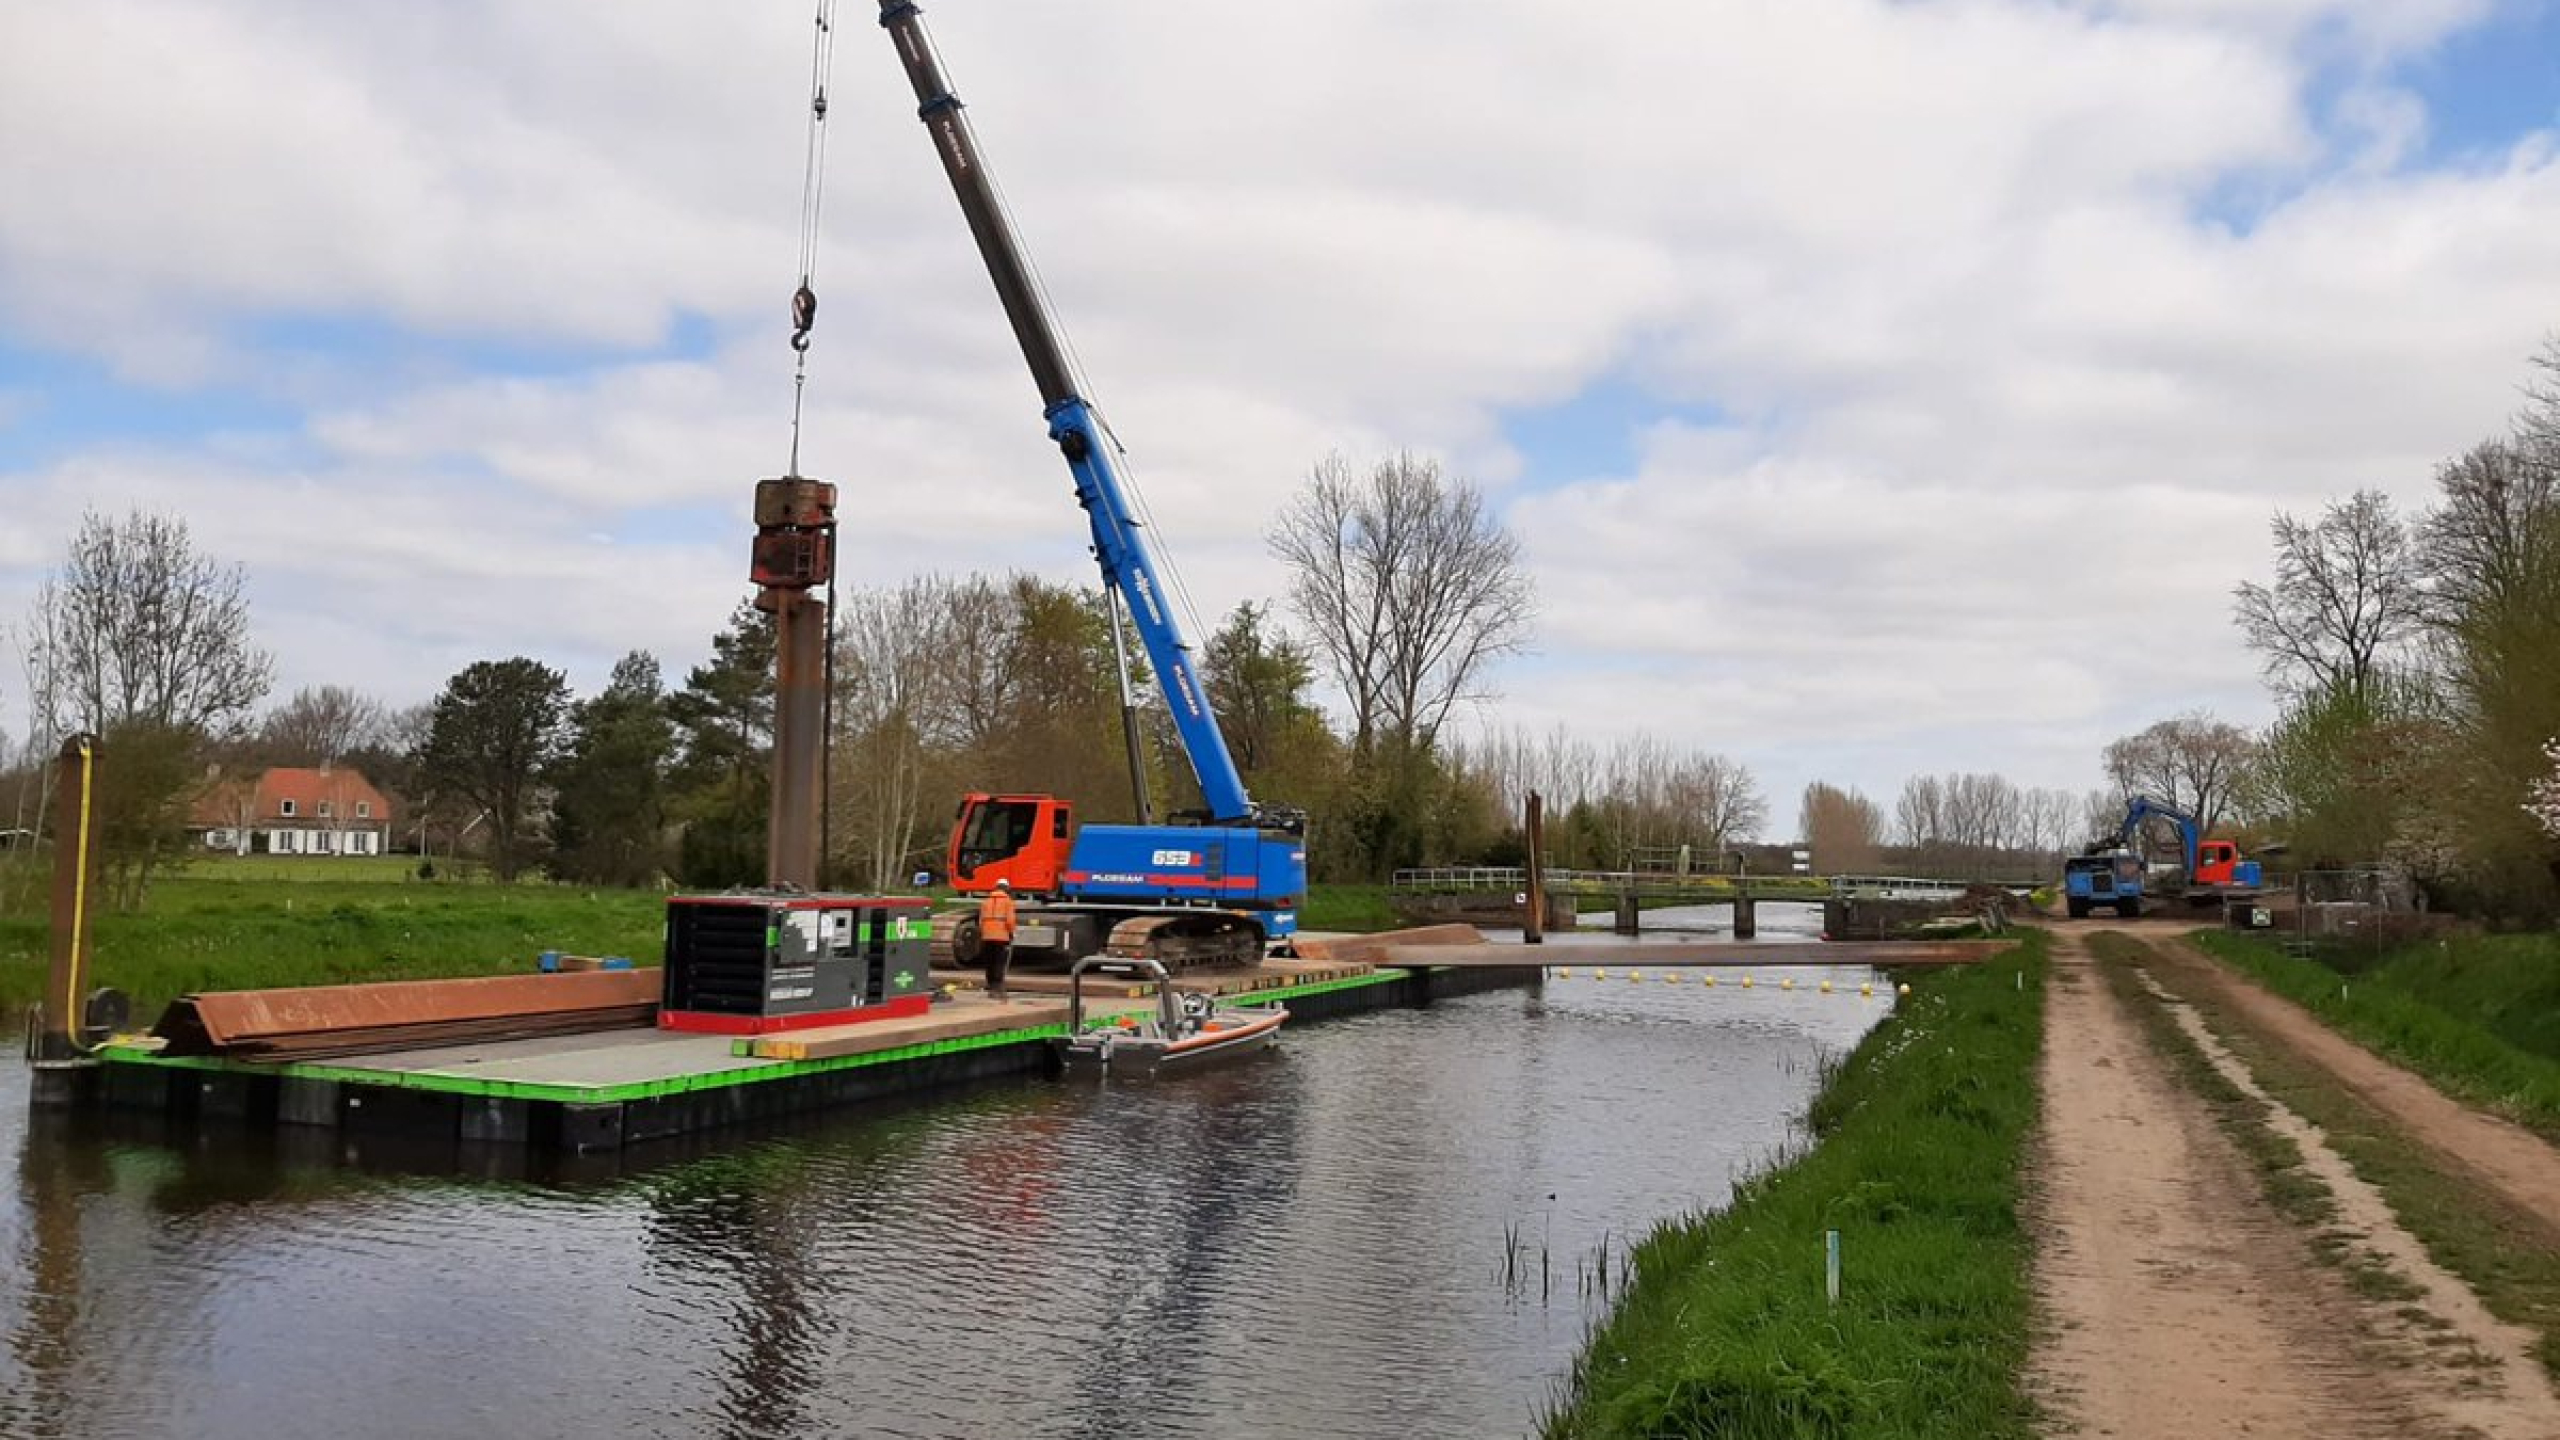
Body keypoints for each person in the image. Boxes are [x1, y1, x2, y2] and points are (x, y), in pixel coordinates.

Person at [979, 879, 1018, 1002]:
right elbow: (1010, 921)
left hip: (987, 936)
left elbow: (981, 921)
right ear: (1007, 888)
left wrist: (984, 932)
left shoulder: (986, 902)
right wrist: (1012, 933)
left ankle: (990, 985)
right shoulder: (1008, 902)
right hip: (1001, 936)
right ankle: (998, 987)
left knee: (989, 962)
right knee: (999, 962)